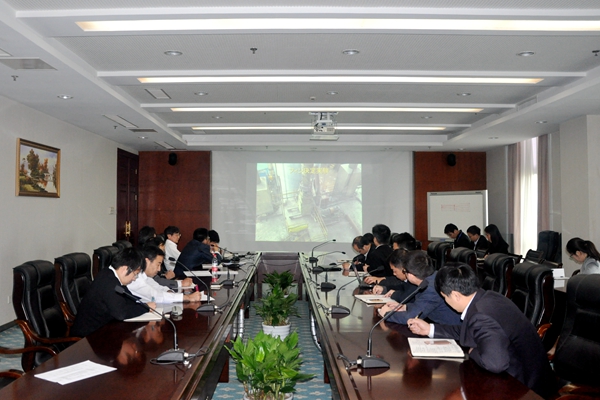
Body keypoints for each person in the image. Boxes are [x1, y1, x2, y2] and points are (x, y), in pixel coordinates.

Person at [407, 264, 557, 399]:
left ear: (456, 295)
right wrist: (430, 329)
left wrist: (473, 351)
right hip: (523, 373)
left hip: (524, 388)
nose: (446, 302)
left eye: (445, 297)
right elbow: (467, 331)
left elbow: (495, 364)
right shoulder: (486, 297)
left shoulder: (481, 315)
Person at [71, 248, 155, 338]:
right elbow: (121, 313)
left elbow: (129, 300)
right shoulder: (108, 281)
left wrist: (144, 305)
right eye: (135, 274)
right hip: (87, 339)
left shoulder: (110, 275)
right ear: (125, 269)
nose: (134, 278)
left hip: (103, 331)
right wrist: (145, 308)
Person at [377, 251, 461, 325]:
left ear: (410, 275)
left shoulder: (431, 288)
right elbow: (421, 305)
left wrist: (387, 314)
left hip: (450, 331)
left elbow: (410, 317)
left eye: (405, 272)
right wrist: (405, 307)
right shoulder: (433, 277)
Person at [128, 246, 202, 303]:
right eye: (158, 264)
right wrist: (187, 297)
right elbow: (156, 296)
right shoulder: (134, 278)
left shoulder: (144, 276)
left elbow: (159, 287)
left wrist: (169, 292)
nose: (159, 269)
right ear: (147, 261)